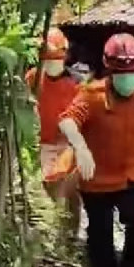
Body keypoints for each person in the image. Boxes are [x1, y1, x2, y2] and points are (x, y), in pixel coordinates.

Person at [58, 33, 134, 267]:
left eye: (133, 72)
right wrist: (81, 147)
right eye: (122, 73)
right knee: (101, 233)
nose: (128, 78)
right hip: (97, 178)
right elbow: (67, 120)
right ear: (110, 72)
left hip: (130, 174)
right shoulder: (91, 95)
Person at [25, 27, 81, 238]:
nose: (52, 62)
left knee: (70, 191)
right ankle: (56, 233)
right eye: (48, 58)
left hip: (69, 144)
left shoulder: (76, 82)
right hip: (43, 143)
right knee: (50, 186)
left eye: (56, 57)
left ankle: (71, 235)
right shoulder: (33, 77)